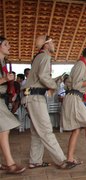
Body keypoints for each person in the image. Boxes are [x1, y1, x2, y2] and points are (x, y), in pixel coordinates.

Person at [22, 35, 74, 169]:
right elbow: (43, 77)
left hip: (31, 96)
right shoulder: (45, 57)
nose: (54, 44)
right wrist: (55, 86)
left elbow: (39, 79)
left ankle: (35, 161)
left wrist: (55, 80)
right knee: (46, 130)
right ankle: (62, 160)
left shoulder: (38, 57)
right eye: (52, 42)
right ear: (46, 45)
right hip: (35, 97)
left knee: (37, 132)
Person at [0, 36, 26, 174]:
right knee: (4, 129)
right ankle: (10, 164)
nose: (9, 46)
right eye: (6, 44)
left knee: (3, 130)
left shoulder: (2, 63)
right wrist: (4, 79)